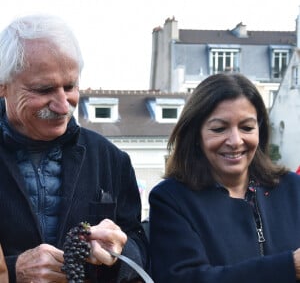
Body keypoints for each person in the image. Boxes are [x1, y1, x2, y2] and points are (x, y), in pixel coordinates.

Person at [0, 14, 148, 282]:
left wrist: (120, 250)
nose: (62, 105)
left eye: (70, 86)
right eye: (43, 90)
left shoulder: (110, 158)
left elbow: (139, 245)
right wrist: (13, 270)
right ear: (3, 87)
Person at [149, 73, 300, 283]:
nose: (236, 141)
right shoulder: (171, 200)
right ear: (196, 135)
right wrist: (289, 267)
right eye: (219, 129)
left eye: (247, 128)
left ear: (260, 130)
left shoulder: (293, 188)